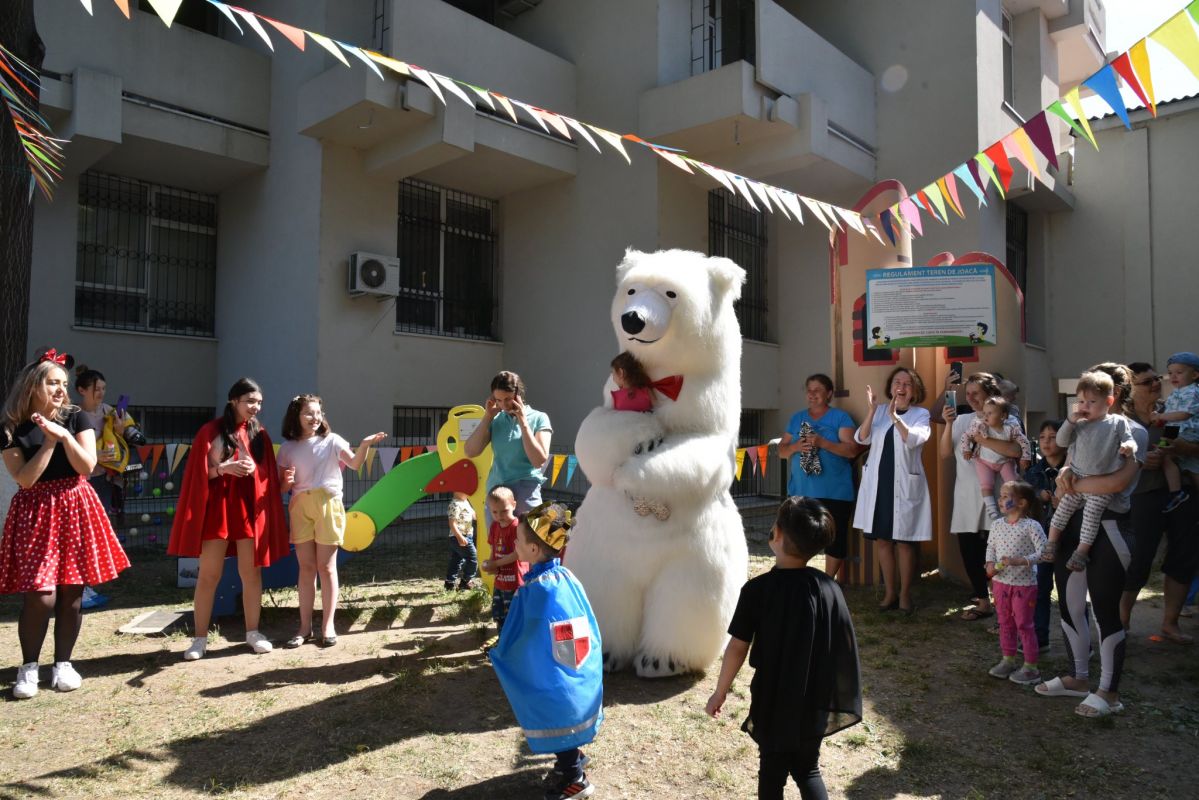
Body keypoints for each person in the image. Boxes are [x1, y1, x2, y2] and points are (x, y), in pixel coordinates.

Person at [706, 497, 862, 800]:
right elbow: (841, 644)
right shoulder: (829, 589)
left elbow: (738, 647)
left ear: (775, 535)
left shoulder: (757, 590)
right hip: (814, 697)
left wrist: (720, 690)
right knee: (808, 769)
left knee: (772, 772)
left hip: (773, 697)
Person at [1, 349, 130, 699]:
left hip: (75, 505)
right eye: (53, 383)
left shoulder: (77, 418)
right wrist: (47, 443)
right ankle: (28, 667)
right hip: (36, 512)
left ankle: (63, 664)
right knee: (41, 596)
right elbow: (25, 479)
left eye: (64, 383)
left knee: (72, 591)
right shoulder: (11, 427)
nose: (61, 390)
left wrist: (65, 435)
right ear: (33, 386)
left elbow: (87, 466)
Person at [1036, 363, 1146, 718]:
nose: (1085, 403)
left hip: (1110, 528)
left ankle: (1109, 691)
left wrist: (1073, 482)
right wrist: (1067, 475)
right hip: (1073, 526)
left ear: (1111, 396)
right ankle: (1078, 677)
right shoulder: (1082, 428)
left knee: (1104, 609)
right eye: (1082, 397)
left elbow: (1115, 483)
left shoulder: (1131, 431)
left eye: (1093, 396)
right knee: (1069, 605)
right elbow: (1069, 466)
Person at [168, 378, 289, 661]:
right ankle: (199, 639)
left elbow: (266, 478)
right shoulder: (209, 431)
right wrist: (224, 469)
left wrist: (276, 483)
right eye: (250, 401)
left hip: (247, 511)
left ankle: (253, 633)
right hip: (218, 510)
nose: (255, 407)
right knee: (209, 575)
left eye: (259, 402)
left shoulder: (260, 434)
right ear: (233, 400)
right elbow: (197, 476)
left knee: (251, 573)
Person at [488, 502, 603, 800]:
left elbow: (523, 636)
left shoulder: (537, 590)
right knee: (562, 712)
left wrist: (503, 653)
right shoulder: (566, 578)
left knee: (553, 716)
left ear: (534, 551)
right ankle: (572, 761)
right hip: (572, 671)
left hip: (555, 677)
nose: (514, 542)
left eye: (519, 540)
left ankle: (575, 779)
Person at [277, 394, 384, 648]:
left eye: (318, 413)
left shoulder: (333, 441)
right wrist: (287, 482)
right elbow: (281, 487)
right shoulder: (287, 448)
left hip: (329, 504)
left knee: (326, 568)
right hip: (300, 506)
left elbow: (356, 464)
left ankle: (328, 626)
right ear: (296, 417)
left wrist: (365, 444)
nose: (315, 418)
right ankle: (304, 628)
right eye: (308, 413)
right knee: (306, 568)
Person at [1121, 361, 1199, 643]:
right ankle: (1122, 623)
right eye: (1147, 382)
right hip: (1140, 495)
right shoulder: (1122, 418)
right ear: (1130, 389)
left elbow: (1185, 443)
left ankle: (1170, 624)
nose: (1156, 384)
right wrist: (1143, 462)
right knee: (1138, 559)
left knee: (1183, 556)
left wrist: (1171, 450)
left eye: (1157, 379)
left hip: (1179, 492)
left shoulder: (1172, 408)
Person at [939, 371, 1020, 622]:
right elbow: (944, 454)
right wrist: (949, 424)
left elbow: (1015, 450)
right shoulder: (962, 420)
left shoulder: (1006, 419)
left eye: (977, 393)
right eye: (969, 393)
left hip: (996, 494)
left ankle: (1005, 605)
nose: (972, 397)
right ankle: (982, 601)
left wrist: (983, 440)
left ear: (990, 394)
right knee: (970, 549)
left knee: (996, 550)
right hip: (966, 494)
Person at [852, 367, 932, 614]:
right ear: (890, 387)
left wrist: (896, 417)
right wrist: (872, 411)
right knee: (883, 541)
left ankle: (906, 594)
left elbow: (914, 440)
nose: (901, 386)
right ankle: (890, 593)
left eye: (907, 383)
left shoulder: (921, 414)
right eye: (897, 382)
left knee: (905, 542)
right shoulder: (879, 414)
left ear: (914, 390)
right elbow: (862, 439)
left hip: (904, 484)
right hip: (880, 485)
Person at [1042, 371, 1137, 571]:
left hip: (1101, 482)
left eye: (1092, 402)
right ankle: (1051, 543)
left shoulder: (1116, 422)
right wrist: (1070, 421)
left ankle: (1081, 552)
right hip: (1076, 477)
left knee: (1090, 518)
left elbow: (1130, 439)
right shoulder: (1079, 424)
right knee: (1061, 512)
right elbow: (1061, 441)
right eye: (1081, 401)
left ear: (1109, 401)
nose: (1085, 406)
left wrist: (1128, 446)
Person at [777, 374, 859, 580]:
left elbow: (851, 451)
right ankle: (799, 577)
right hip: (801, 492)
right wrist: (795, 446)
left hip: (835, 492)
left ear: (829, 393)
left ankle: (828, 581)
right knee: (797, 537)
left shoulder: (840, 418)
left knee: (835, 539)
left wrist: (823, 443)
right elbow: (781, 451)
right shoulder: (796, 418)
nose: (812, 394)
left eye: (817, 390)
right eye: (809, 390)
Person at [464, 371, 552, 519]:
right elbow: (470, 451)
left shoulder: (539, 418)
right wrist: (487, 417)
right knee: (496, 542)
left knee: (528, 541)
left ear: (519, 396)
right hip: (496, 495)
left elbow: (539, 461)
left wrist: (523, 421)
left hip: (525, 493)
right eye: (498, 400)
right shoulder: (495, 419)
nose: (503, 405)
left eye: (508, 399)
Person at [984, 481, 1046, 686]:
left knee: (1024, 624)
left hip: (1024, 586)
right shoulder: (997, 525)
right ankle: (1008, 659)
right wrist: (990, 565)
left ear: (1021, 503)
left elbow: (1043, 552)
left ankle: (1031, 667)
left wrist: (1021, 561)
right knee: (1005, 622)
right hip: (1001, 584)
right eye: (1000, 496)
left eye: (1005, 496)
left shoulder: (1031, 526)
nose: (1000, 500)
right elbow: (991, 547)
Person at [1023, 420, 1066, 649]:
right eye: (1042, 438)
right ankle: (1040, 638)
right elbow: (1026, 501)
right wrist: (1039, 495)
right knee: (1039, 588)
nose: (1047, 442)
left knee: (1070, 592)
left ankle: (1078, 644)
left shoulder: (1072, 467)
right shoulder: (1033, 471)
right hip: (1040, 539)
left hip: (1068, 538)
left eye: (1053, 437)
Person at [960, 395, 1031, 521]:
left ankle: (1012, 507)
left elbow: (1024, 442)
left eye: (990, 413)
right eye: (984, 413)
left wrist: (1025, 457)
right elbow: (965, 436)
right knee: (986, 484)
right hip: (984, 461)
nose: (986, 416)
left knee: (1012, 483)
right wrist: (966, 449)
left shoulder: (1011, 429)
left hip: (1004, 461)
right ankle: (992, 509)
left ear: (1003, 416)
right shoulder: (980, 426)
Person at [1151, 351, 1199, 511]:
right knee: (1164, 456)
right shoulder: (1176, 393)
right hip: (1173, 430)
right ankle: (1175, 492)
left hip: (1186, 431)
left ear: (1195, 375)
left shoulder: (1193, 391)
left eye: (1179, 372)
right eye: (1170, 373)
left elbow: (1184, 414)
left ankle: (1177, 492)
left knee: (1192, 468)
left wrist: (1161, 416)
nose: (1173, 376)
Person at [479, 486, 526, 650]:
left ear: (514, 504)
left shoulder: (517, 526)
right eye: (494, 512)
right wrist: (490, 564)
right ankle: (503, 642)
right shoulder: (494, 526)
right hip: (500, 582)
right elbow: (493, 549)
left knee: (514, 615)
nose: (499, 516)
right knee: (499, 615)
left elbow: (517, 554)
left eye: (504, 511)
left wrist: (496, 564)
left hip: (515, 582)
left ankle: (515, 646)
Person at [445, 490, 478, 591]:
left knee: (456, 559)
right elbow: (452, 523)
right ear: (457, 490)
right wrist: (459, 537)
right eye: (466, 489)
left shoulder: (466, 502)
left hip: (465, 536)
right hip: (460, 536)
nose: (469, 491)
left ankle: (449, 583)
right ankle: (466, 580)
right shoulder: (455, 504)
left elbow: (475, 516)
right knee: (473, 558)